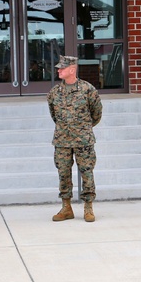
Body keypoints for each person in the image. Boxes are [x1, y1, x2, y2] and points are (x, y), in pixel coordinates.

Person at [47, 55, 103, 222]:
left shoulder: (88, 90)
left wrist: (83, 128)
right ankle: (66, 207)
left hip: (83, 140)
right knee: (63, 173)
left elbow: (97, 114)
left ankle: (88, 207)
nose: (58, 70)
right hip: (62, 140)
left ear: (72, 69)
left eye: (62, 68)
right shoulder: (54, 92)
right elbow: (54, 115)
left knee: (87, 173)